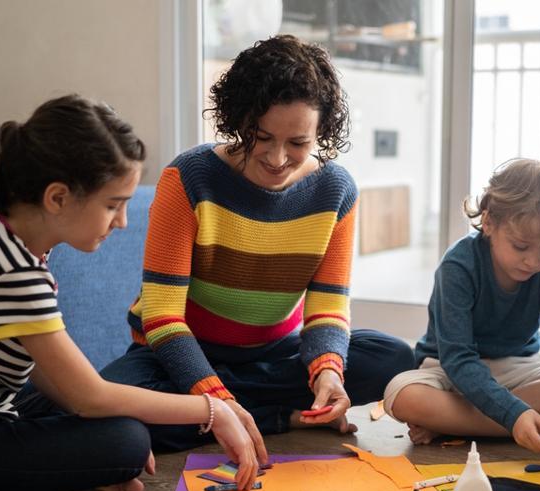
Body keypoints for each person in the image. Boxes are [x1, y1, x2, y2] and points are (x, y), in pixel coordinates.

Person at [0, 95, 267, 491]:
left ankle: (48, 479)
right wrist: (213, 409)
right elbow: (88, 397)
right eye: (113, 205)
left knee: (115, 414)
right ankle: (43, 482)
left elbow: (56, 378)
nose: (123, 222)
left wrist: (91, 431)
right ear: (57, 198)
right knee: (126, 441)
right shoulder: (10, 269)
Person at [100, 35, 415, 450]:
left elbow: (327, 307)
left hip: (275, 355)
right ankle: (272, 417)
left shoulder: (336, 191)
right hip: (176, 355)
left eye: (298, 143)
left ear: (321, 133)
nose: (277, 157)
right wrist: (213, 394)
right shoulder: (189, 177)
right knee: (113, 413)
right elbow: (162, 317)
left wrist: (327, 375)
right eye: (261, 136)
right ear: (239, 119)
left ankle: (228, 416)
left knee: (392, 358)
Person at [383, 159, 540, 454]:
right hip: (449, 369)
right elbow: (458, 359)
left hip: (517, 369)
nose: (534, 261)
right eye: (521, 246)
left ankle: (458, 422)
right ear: (489, 222)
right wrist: (513, 412)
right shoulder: (458, 265)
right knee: (403, 396)